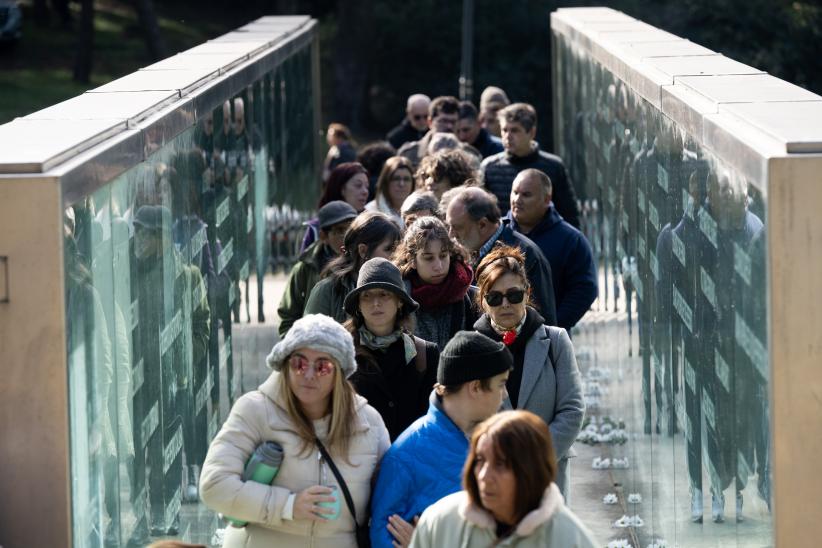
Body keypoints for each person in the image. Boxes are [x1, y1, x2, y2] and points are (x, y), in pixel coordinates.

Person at [200, 314, 390, 548]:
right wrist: (289, 505)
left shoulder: (368, 423)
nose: (308, 374)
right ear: (285, 364)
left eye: (322, 366)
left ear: (339, 373)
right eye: (299, 363)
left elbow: (393, 497)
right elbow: (214, 485)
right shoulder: (254, 410)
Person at [370, 331, 513, 548]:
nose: (504, 395)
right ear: (475, 387)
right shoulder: (405, 455)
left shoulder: (499, 444)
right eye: (501, 384)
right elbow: (383, 535)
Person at [472, 245, 584, 500]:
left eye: (513, 295)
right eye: (494, 297)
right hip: (493, 481)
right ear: (483, 301)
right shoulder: (471, 348)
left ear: (527, 293)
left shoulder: (556, 341)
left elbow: (572, 409)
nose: (505, 304)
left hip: (547, 474)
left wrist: (534, 459)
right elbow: (466, 417)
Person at [409, 410, 597, 548]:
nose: (484, 476)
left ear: (530, 471)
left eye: (500, 464)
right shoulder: (439, 522)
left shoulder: (569, 538)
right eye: (480, 460)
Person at [343, 257, 439, 440]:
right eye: (367, 295)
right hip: (359, 460)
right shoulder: (343, 351)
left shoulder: (424, 354)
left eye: (384, 294)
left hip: (409, 461)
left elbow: (432, 421)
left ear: (400, 301)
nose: (375, 303)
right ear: (358, 306)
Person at [444, 186, 557, 325]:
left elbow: (542, 320)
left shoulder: (526, 255)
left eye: (457, 228)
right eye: (448, 226)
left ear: (482, 225)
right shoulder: (461, 253)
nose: (451, 235)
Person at [507, 169, 597, 329]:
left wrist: (552, 327)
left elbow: (585, 290)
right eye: (514, 192)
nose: (517, 199)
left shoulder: (571, 240)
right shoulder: (498, 233)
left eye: (526, 195)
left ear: (547, 199)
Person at [481, 103, 581, 228]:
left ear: (531, 132)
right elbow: (481, 215)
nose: (508, 136)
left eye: (515, 130)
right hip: (502, 242)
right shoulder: (489, 167)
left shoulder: (554, 167)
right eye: (504, 130)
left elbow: (569, 215)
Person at [393, 216, 478, 350]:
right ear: (412, 260)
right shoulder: (398, 300)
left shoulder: (470, 297)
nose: (438, 266)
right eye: (429, 258)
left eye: (443, 255)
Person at [278, 201, 358, 337]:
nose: (346, 236)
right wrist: (295, 346)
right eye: (340, 230)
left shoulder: (363, 262)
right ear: (323, 236)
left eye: (351, 229)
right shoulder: (305, 268)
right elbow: (288, 315)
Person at [304, 211, 401, 324]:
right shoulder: (327, 290)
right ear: (363, 251)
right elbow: (309, 336)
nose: (397, 256)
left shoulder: (402, 285)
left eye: (398, 249)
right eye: (389, 249)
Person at [301, 162, 370, 252]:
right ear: (341, 189)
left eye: (367, 187)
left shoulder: (370, 222)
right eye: (358, 185)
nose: (365, 192)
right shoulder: (315, 228)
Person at [398, 96, 460, 168]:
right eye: (443, 121)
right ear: (430, 122)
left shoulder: (469, 154)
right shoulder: (409, 154)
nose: (449, 126)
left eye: (453, 122)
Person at [364, 156, 416, 227]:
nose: (401, 184)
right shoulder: (371, 212)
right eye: (396, 179)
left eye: (406, 179)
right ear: (385, 182)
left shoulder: (421, 212)